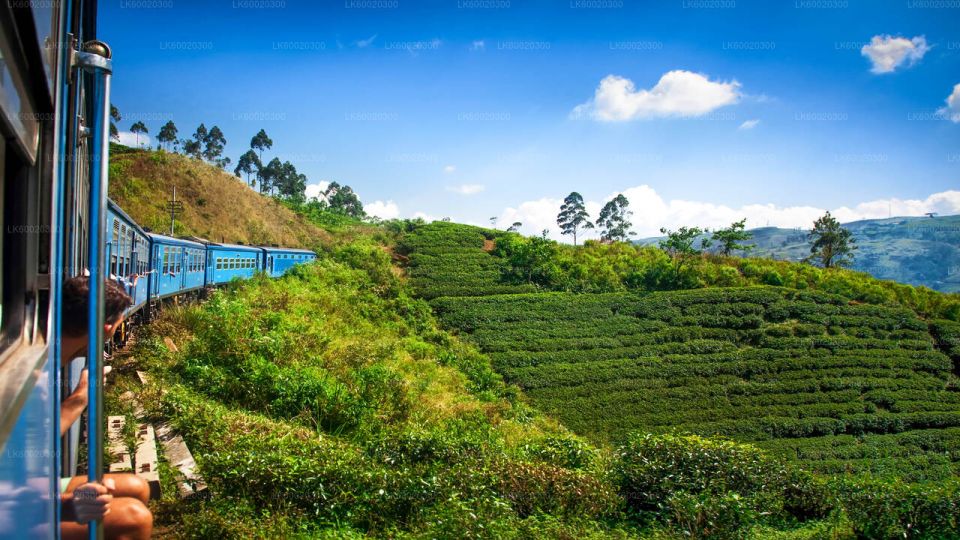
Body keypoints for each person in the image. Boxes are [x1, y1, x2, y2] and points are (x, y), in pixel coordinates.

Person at [58, 276, 153, 540]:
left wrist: (80, 397)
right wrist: (62, 505)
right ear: (107, 327)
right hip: (15, 504)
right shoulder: (22, 373)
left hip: (25, 488)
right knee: (134, 518)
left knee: (137, 486)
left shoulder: (47, 359)